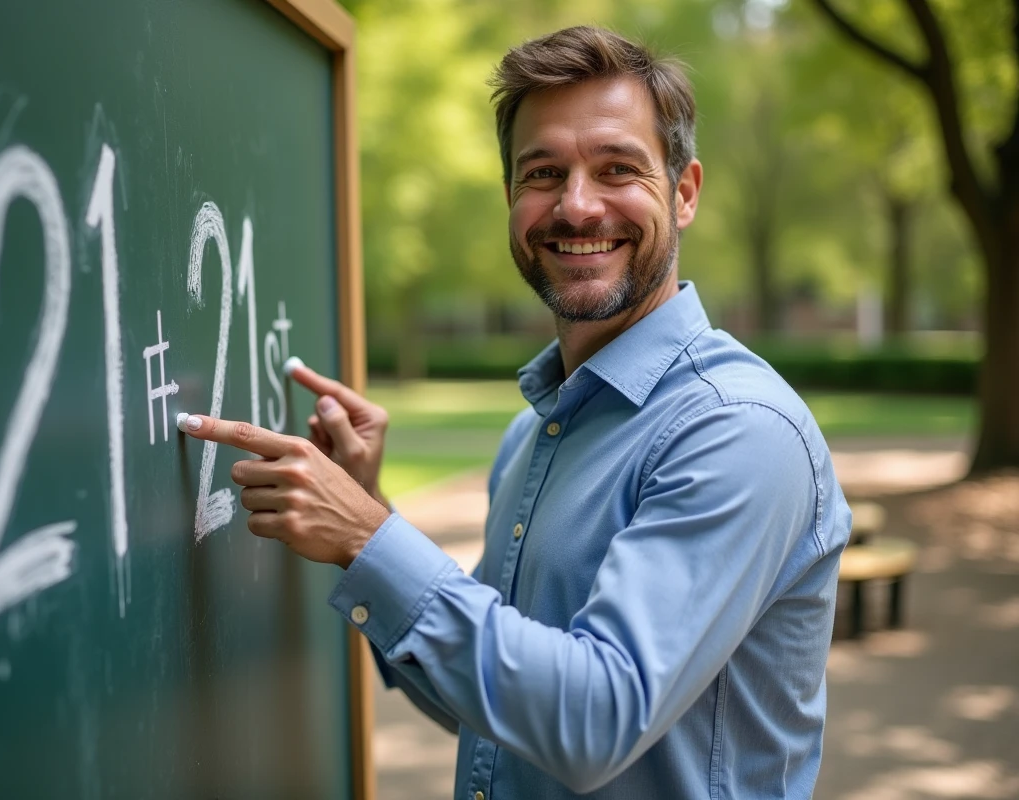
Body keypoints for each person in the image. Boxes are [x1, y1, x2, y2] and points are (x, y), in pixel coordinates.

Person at [180, 25, 852, 799]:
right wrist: (370, 513)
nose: (576, 205)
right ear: (511, 198)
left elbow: (595, 721)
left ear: (686, 191)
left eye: (616, 168)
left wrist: (370, 537)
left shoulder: (737, 430)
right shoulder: (532, 435)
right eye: (543, 173)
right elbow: (490, 707)